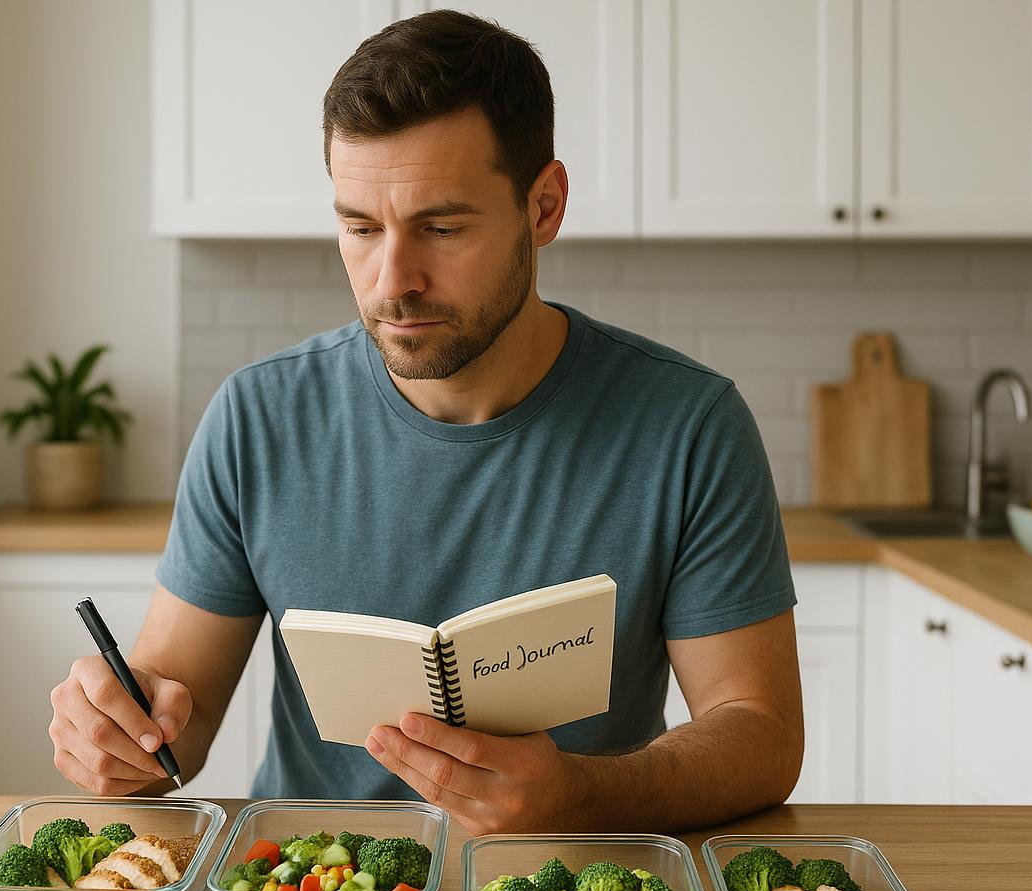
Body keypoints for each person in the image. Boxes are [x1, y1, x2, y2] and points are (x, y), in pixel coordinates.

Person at [48, 10, 803, 835]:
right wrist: (121, 733)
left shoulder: (688, 426)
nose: (392, 279)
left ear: (543, 207)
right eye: (360, 228)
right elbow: (174, 721)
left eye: (441, 228)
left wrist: (578, 797)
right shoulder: (258, 417)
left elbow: (760, 736)